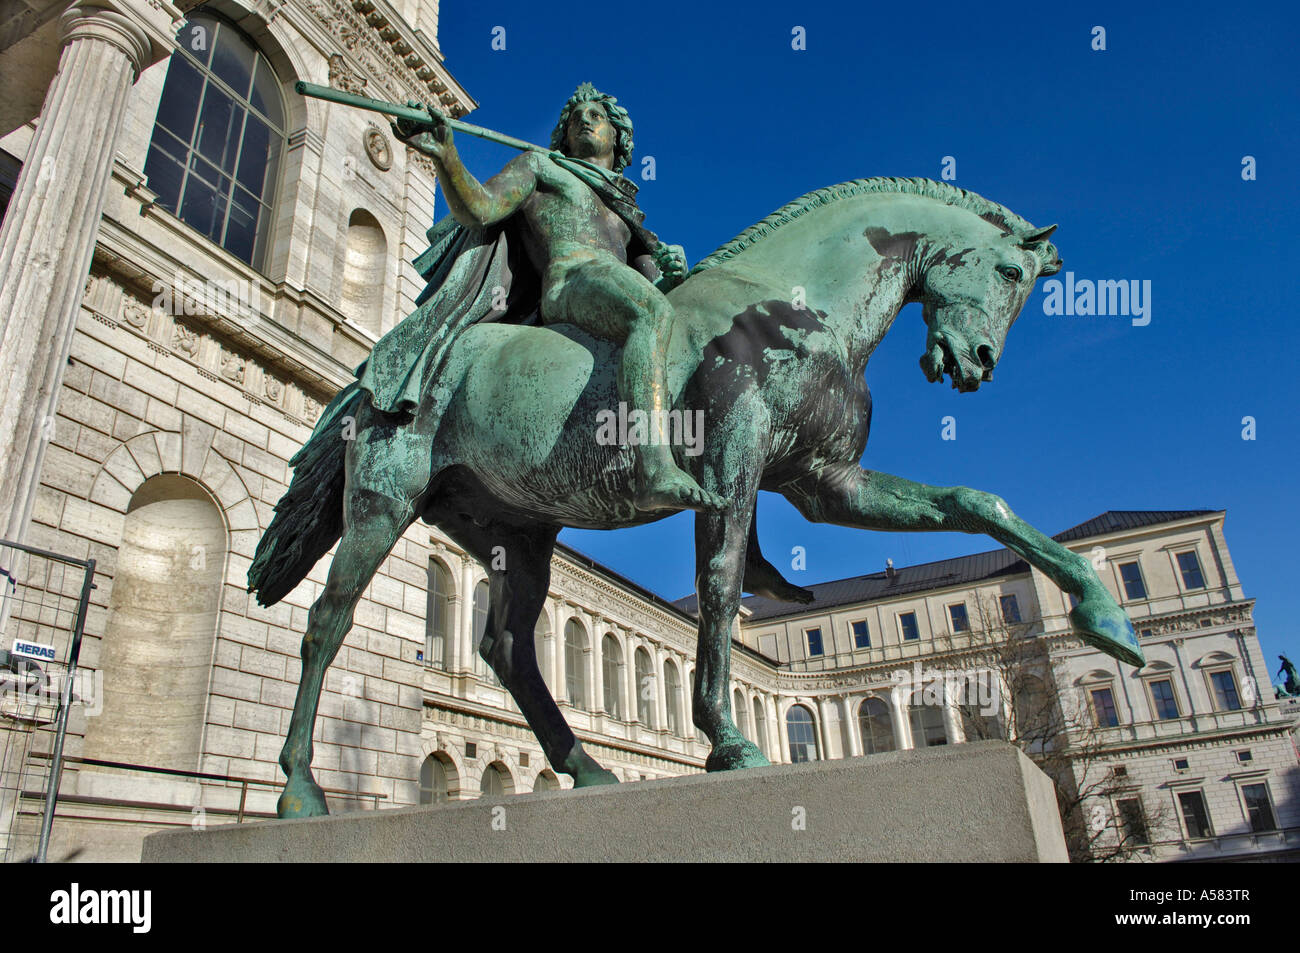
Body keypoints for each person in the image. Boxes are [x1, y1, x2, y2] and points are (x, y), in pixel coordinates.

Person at [391, 82, 724, 513]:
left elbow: (656, 294)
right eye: (574, 118)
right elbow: (481, 209)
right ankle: (654, 467)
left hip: (608, 289)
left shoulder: (625, 211)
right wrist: (446, 155)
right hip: (570, 279)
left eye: (596, 116)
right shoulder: (542, 167)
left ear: (618, 138)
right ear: (564, 137)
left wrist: (673, 273)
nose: (584, 120)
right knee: (650, 310)